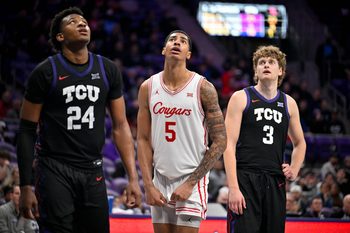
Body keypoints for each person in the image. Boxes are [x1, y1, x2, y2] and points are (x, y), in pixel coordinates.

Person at [16, 7, 142, 233]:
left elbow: (121, 126)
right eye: (73, 22)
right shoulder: (45, 72)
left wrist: (133, 178)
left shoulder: (107, 69)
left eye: (84, 21)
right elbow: (26, 129)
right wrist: (25, 185)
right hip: (54, 168)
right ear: (60, 36)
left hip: (92, 169)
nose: (82, 24)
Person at [137, 30, 227, 233]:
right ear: (163, 50)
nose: (177, 43)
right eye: (172, 40)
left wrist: (191, 183)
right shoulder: (148, 87)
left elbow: (221, 140)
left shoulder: (203, 87)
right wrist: (148, 185)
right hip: (160, 178)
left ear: (189, 54)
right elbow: (142, 139)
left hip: (191, 179)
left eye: (183, 41)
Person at [224, 45, 306, 233]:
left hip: (275, 181)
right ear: (256, 71)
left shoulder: (289, 103)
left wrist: (294, 168)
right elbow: (228, 144)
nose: (266, 65)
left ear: (281, 71)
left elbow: (300, 143)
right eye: (261, 63)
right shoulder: (240, 97)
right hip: (245, 178)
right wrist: (233, 188)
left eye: (271, 62)